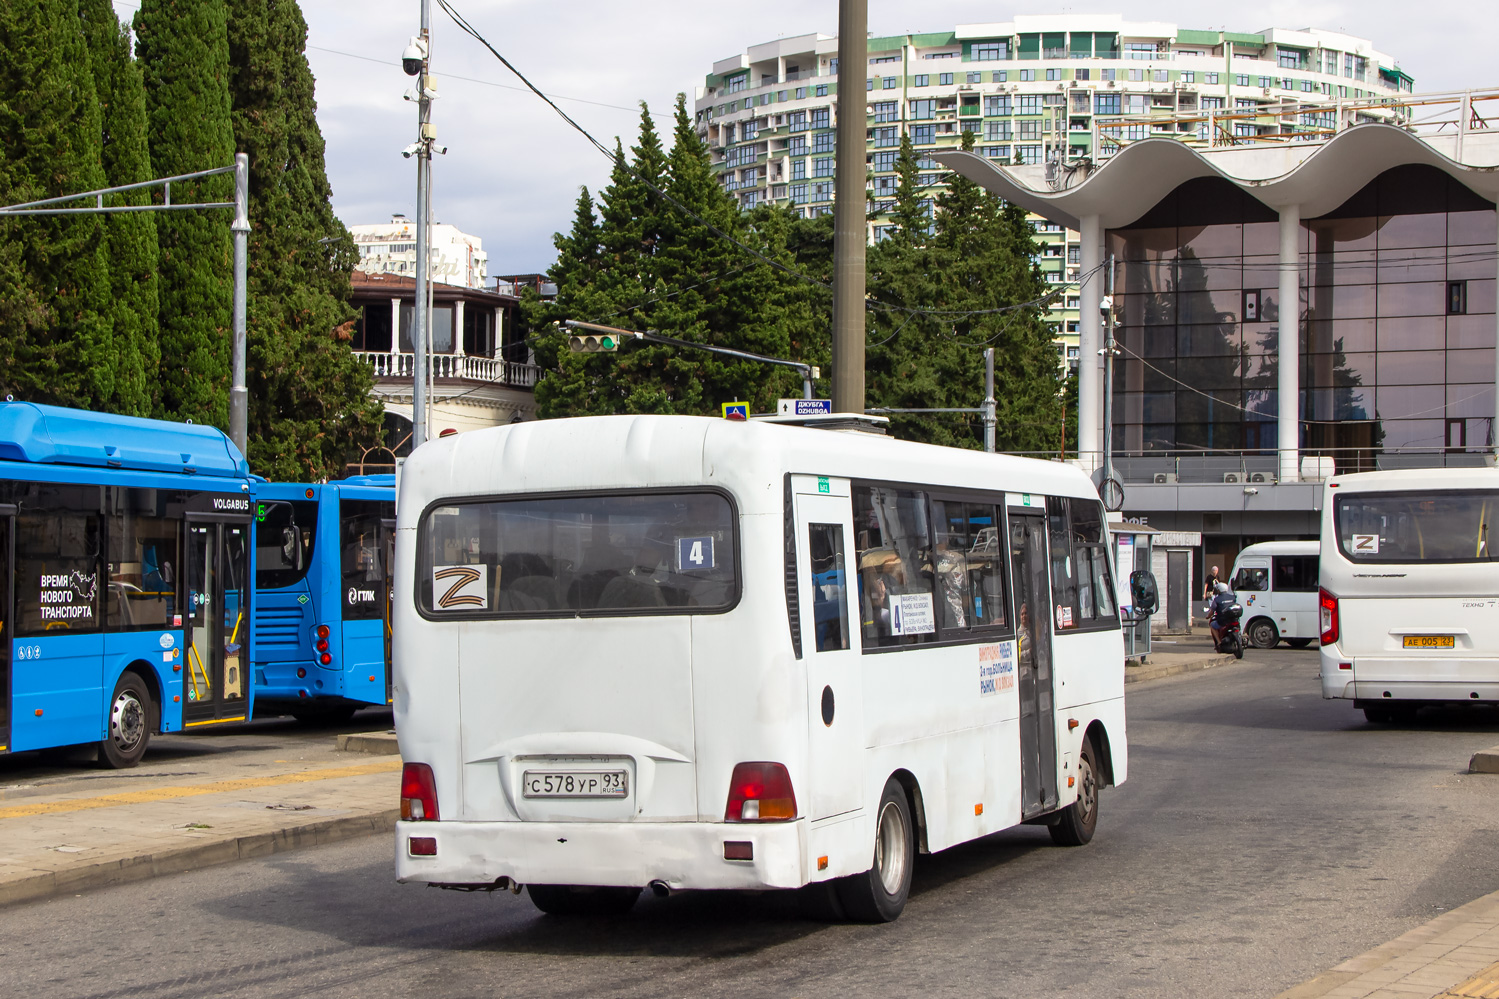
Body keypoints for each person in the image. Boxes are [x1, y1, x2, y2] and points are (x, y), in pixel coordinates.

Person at [1208, 581, 1237, 649]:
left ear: (1219, 590)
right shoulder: (1232, 597)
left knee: (1212, 625)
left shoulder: (1217, 599)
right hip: (1233, 619)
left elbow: (1211, 611)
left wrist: (1208, 616)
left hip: (1223, 621)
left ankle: (1219, 642)